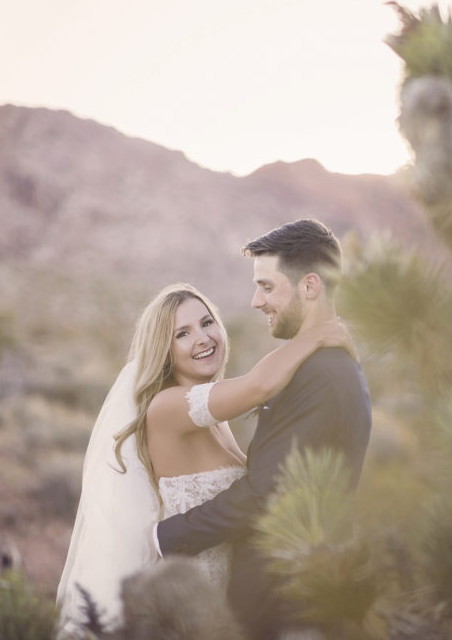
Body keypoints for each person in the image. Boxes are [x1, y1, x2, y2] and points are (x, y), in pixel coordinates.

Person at [56, 282, 353, 637]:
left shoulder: (214, 418)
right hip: (190, 608)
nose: (202, 338)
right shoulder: (167, 407)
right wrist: (317, 336)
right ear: (165, 352)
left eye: (207, 323)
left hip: (229, 601)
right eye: (182, 333)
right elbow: (259, 386)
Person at [156, 219, 373, 639]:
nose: (256, 301)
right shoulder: (318, 366)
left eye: (267, 286)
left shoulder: (322, 375)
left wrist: (164, 537)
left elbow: (264, 494)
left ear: (310, 286)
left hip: (280, 605)